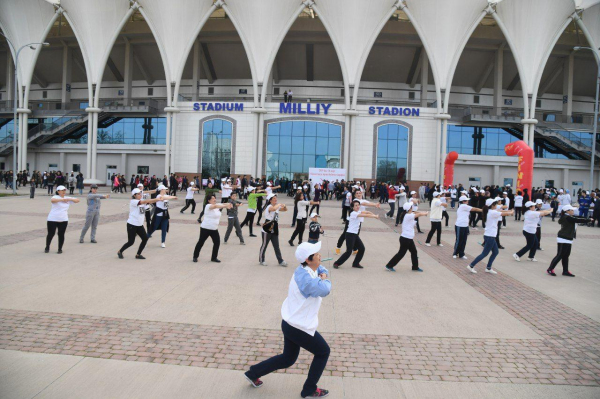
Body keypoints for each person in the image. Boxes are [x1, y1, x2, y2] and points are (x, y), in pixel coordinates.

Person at [244, 242, 331, 398]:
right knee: (323, 352)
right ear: (308, 260)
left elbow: (321, 268)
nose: (320, 255)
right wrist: (324, 279)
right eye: (316, 254)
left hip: (290, 322)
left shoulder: (303, 269)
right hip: (299, 327)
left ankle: (253, 373)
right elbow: (324, 289)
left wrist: (322, 273)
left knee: (288, 359)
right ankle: (309, 389)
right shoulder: (307, 280)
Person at [467, 199, 513, 274]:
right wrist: (511, 212)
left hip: (489, 235)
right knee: (484, 253)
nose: (496, 205)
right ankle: (471, 265)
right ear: (492, 205)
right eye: (495, 204)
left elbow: (501, 212)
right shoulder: (492, 212)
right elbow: (504, 214)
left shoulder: (489, 211)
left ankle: (488, 268)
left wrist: (508, 211)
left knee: (495, 252)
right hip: (490, 236)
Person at [117, 188, 164, 260]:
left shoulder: (142, 202)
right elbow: (146, 201)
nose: (140, 195)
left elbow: (149, 202)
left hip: (139, 225)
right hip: (132, 224)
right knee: (131, 242)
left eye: (140, 193)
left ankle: (138, 254)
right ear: (134, 195)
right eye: (138, 194)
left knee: (145, 239)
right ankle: (120, 251)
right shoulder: (133, 201)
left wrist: (158, 199)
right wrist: (157, 199)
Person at [546, 205, 591, 277]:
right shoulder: (567, 217)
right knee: (560, 255)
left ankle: (565, 271)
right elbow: (578, 220)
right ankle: (550, 269)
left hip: (568, 238)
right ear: (567, 211)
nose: (573, 211)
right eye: (572, 210)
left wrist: (587, 218)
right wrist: (589, 220)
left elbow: (578, 217)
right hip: (563, 238)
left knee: (566, 255)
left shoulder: (569, 217)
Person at [333, 199, 379, 269]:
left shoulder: (358, 212)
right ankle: (336, 263)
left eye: (358, 205)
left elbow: (367, 212)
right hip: (350, 234)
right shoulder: (353, 213)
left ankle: (355, 263)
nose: (358, 206)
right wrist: (374, 216)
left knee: (362, 249)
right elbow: (365, 215)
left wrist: (374, 215)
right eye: (356, 205)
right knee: (348, 252)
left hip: (355, 235)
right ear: (352, 207)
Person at [385, 202, 428, 272]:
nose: (412, 207)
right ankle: (389, 266)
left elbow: (415, 212)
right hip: (405, 239)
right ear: (409, 208)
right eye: (411, 206)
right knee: (401, 253)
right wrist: (425, 214)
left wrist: (423, 212)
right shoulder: (408, 216)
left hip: (408, 239)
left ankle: (415, 267)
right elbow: (418, 214)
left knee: (414, 251)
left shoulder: (408, 214)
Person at [193, 194, 232, 263]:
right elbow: (217, 206)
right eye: (212, 198)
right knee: (201, 242)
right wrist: (226, 206)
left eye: (215, 198)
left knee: (217, 242)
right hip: (205, 228)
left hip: (214, 229)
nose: (214, 199)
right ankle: (195, 256)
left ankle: (214, 257)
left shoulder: (216, 206)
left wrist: (230, 204)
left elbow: (222, 204)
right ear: (209, 200)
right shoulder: (208, 206)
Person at [46, 185, 80, 254]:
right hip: (52, 219)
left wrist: (69, 199)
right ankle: (47, 247)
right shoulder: (55, 197)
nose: (64, 192)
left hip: (63, 219)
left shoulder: (67, 198)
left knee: (61, 234)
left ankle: (60, 249)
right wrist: (62, 199)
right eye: (62, 190)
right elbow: (52, 200)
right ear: (58, 191)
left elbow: (77, 200)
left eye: (64, 190)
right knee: (51, 233)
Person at [259, 194, 288, 266]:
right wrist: (279, 204)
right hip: (267, 229)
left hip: (274, 228)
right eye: (274, 198)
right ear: (270, 200)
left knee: (276, 246)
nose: (276, 199)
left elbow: (285, 210)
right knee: (264, 245)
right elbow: (273, 209)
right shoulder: (269, 206)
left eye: (276, 198)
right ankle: (261, 260)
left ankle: (280, 261)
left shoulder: (276, 207)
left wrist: (284, 206)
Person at [453, 195, 482, 260]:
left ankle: (461, 254)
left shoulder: (464, 206)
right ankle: (455, 253)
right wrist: (483, 210)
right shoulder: (463, 206)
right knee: (459, 240)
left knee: (464, 240)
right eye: (466, 200)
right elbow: (475, 209)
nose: (468, 201)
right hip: (460, 225)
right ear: (463, 201)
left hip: (465, 225)